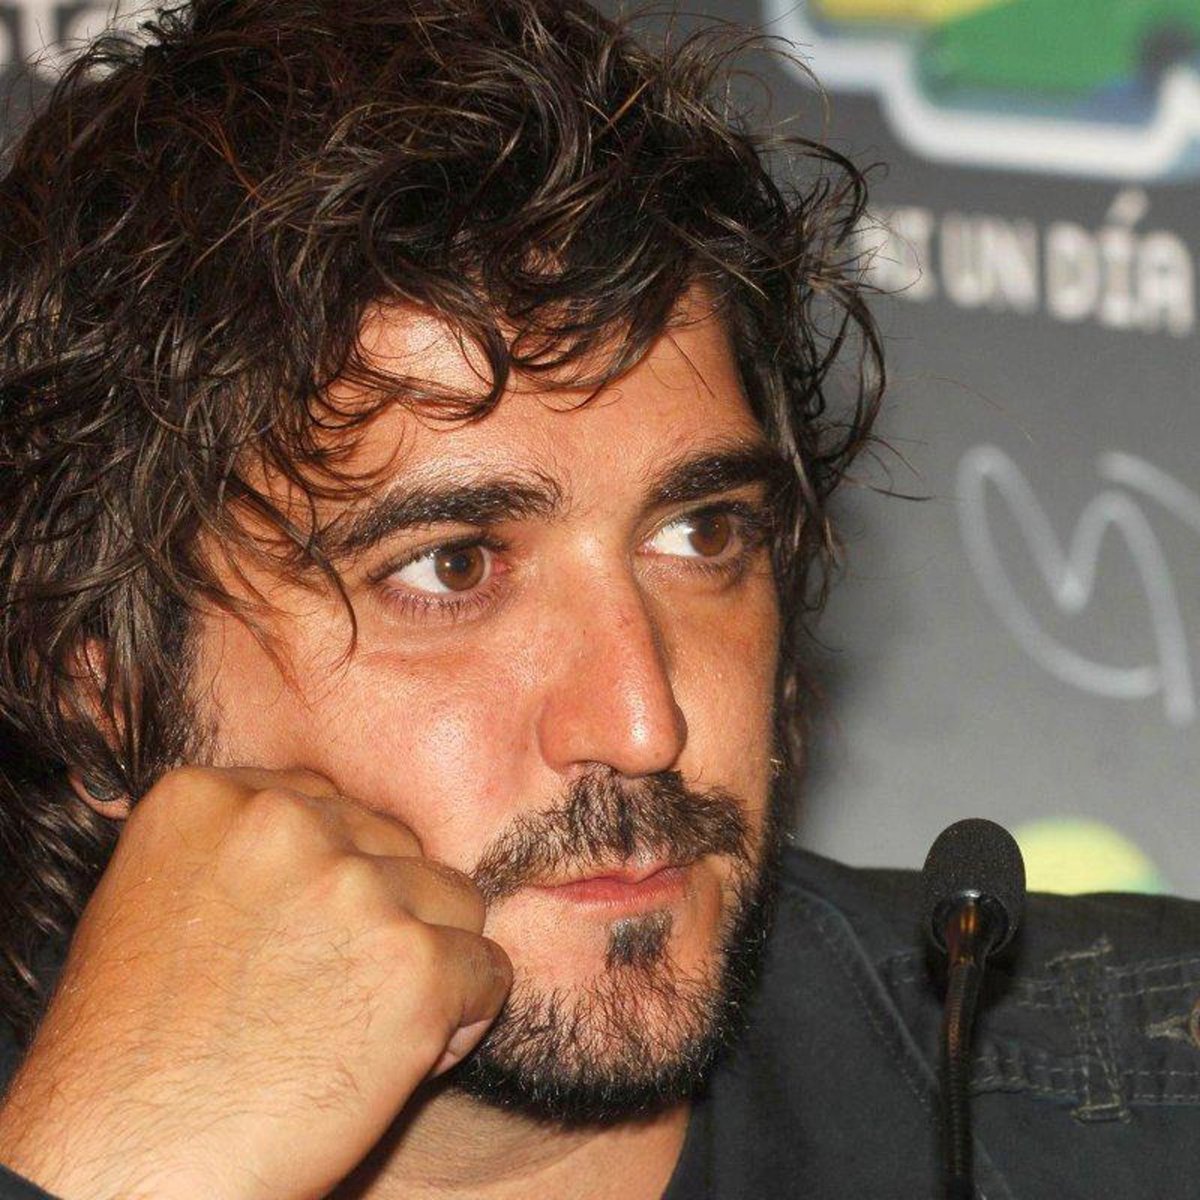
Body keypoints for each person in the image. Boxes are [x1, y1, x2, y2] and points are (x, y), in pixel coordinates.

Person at [0, 3, 1196, 1198]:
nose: (644, 724)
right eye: (454, 567)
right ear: (104, 688)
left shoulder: (1143, 1114)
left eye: (701, 534)